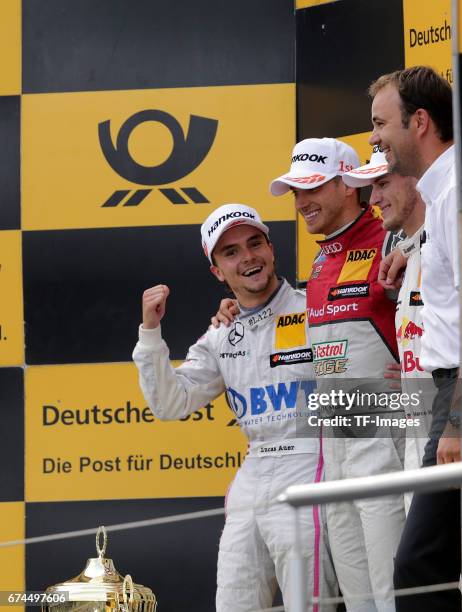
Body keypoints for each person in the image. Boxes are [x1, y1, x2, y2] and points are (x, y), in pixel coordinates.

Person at [132, 203, 337, 612]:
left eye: (255, 243)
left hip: (310, 466)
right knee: (233, 602)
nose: (248, 257)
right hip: (251, 476)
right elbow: (171, 403)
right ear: (217, 271)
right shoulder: (221, 334)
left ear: (271, 249)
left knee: (310, 605)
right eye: (231, 252)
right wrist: (151, 334)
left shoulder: (317, 309)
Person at [270, 137, 406, 612]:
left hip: (383, 433)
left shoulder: (391, 237)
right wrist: (232, 313)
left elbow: (435, 314)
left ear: (350, 184)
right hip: (335, 441)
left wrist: (419, 372)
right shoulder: (322, 255)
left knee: (394, 590)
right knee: (358, 594)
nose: (302, 202)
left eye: (313, 189)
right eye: (296, 192)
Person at [368, 66, 461, 611]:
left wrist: (455, 418)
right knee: (430, 565)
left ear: (420, 122)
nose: (375, 138)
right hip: (451, 399)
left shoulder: (453, 191)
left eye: (381, 124)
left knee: (418, 566)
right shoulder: (444, 191)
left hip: (461, 400)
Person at [343, 147, 435, 512]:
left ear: (416, 177)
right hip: (421, 429)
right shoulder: (411, 256)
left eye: (382, 184)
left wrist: (455, 423)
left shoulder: (447, 245)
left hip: (448, 433)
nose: (374, 199)